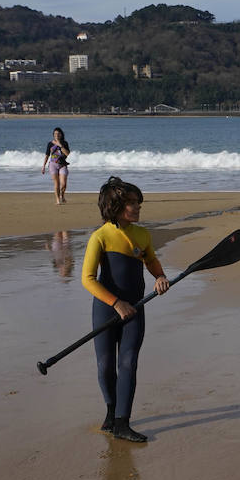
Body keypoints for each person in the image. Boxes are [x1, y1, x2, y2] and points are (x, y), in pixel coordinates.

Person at [81, 177, 170, 443]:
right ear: (115, 205)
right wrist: (116, 303)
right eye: (131, 203)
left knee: (128, 362)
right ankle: (111, 412)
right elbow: (88, 278)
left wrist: (160, 277)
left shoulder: (142, 235)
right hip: (106, 310)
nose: (137, 207)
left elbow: (151, 260)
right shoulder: (100, 237)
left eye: (137, 202)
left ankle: (122, 422)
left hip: (135, 308)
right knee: (105, 365)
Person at [43, 127, 71, 204]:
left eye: (58, 133)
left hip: (62, 165)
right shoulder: (50, 144)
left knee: (63, 184)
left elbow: (67, 154)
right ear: (53, 135)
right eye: (55, 134)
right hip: (53, 165)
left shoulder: (65, 143)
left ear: (61, 134)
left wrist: (60, 145)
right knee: (56, 183)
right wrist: (43, 166)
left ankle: (62, 195)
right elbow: (47, 155)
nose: (57, 135)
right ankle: (58, 200)